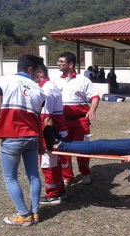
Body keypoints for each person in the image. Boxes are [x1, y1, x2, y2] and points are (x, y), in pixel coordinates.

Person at [0, 54, 47, 227]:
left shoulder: (3, 81)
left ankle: (23, 215)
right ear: (30, 70)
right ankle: (34, 213)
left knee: (10, 177)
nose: (37, 75)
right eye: (36, 72)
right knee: (33, 175)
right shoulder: (39, 90)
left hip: (12, 136)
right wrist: (40, 141)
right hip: (33, 137)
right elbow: (38, 119)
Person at [54, 52, 100, 186]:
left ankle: (85, 173)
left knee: (83, 148)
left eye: (62, 62)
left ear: (70, 64)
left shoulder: (83, 80)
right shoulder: (56, 80)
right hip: (62, 122)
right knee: (64, 149)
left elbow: (94, 96)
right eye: (58, 61)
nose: (59, 64)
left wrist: (92, 110)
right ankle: (67, 176)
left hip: (80, 120)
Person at [37, 63, 68, 205]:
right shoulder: (52, 87)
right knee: (54, 163)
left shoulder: (46, 90)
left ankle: (53, 194)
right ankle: (59, 190)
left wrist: (45, 140)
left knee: (47, 163)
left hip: (49, 132)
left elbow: (47, 117)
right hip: (57, 130)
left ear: (40, 72)